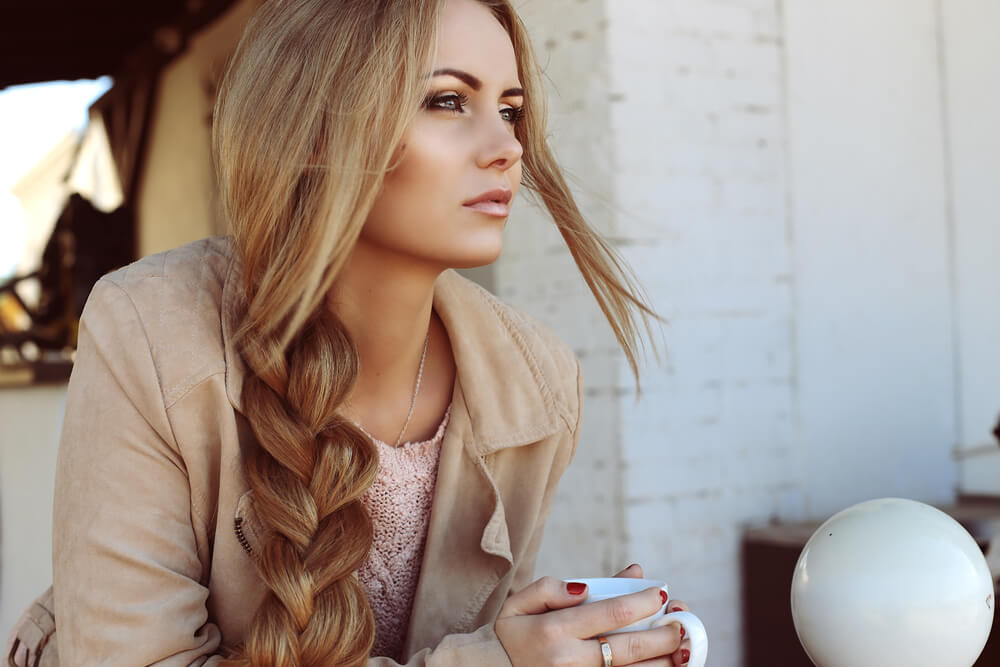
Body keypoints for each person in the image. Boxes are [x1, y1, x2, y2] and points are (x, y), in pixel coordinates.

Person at [7, 0, 696, 665]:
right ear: (315, 131)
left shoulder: (537, 384)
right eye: (448, 100)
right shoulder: (147, 331)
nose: (507, 148)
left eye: (511, 111)